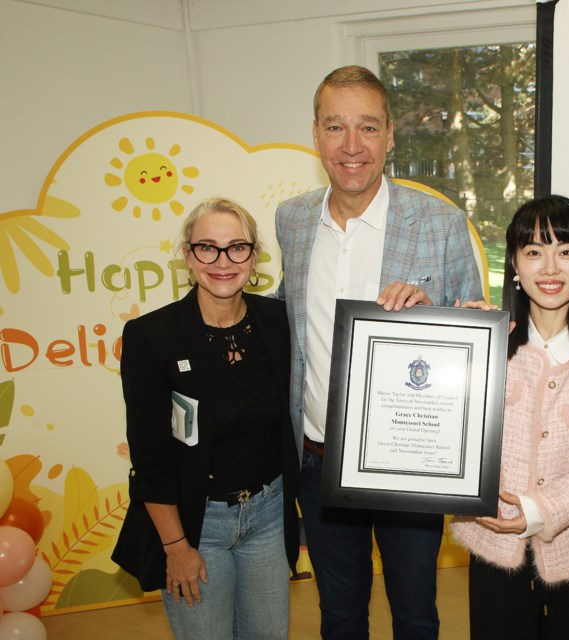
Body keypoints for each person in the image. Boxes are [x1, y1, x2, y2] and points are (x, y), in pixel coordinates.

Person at [274, 65, 483, 640]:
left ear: (390, 135)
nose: (351, 146)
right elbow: (285, 316)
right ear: (315, 134)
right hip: (316, 460)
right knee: (338, 616)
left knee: (416, 613)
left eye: (367, 128)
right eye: (336, 127)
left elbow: (479, 332)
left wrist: (434, 313)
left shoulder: (441, 222)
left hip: (408, 465)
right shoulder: (291, 221)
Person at [112, 197, 300, 639]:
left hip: (268, 518)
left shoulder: (278, 321)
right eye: (207, 247)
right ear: (187, 256)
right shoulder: (151, 337)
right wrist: (176, 547)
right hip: (196, 526)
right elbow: (150, 457)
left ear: (254, 257)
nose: (222, 261)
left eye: (237, 247)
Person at [450, 195, 569, 639]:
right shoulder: (484, 342)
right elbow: (447, 435)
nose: (550, 269)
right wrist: (448, 339)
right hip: (494, 548)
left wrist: (538, 509)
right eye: (534, 252)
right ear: (514, 263)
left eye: (566, 252)